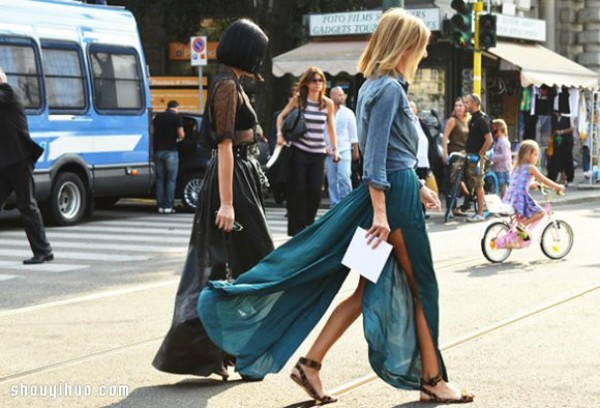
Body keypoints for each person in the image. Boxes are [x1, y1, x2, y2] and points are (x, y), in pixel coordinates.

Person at [199, 8, 474, 404]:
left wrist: (417, 185)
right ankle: (432, 380)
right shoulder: (390, 90)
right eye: (421, 47)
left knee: (365, 288)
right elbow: (377, 158)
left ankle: (310, 365)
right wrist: (385, 208)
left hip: (392, 194)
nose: (424, 54)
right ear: (405, 46)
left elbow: (390, 152)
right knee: (423, 287)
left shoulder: (371, 86)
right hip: (390, 205)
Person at [152, 19, 274, 380]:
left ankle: (233, 354)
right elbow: (224, 147)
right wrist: (227, 203)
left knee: (239, 266)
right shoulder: (225, 86)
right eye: (259, 52)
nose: (261, 60)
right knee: (237, 266)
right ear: (247, 51)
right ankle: (228, 354)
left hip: (238, 182)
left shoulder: (230, 83)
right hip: (231, 184)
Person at [275, 67, 342, 236]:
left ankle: (309, 225)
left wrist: (335, 150)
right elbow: (280, 116)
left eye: (321, 80)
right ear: (307, 82)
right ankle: (298, 230)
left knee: (314, 192)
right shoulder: (300, 100)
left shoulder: (327, 103)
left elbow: (331, 129)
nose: (318, 83)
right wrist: (279, 135)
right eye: (314, 80)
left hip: (318, 154)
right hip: (299, 151)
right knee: (299, 191)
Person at [0, 66, 54, 265]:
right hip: (6, 163)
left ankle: (44, 251)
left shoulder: (9, 92)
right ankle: (43, 250)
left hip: (20, 160)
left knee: (27, 205)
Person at [503, 140, 565, 239]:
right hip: (520, 198)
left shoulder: (518, 166)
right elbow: (544, 180)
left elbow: (520, 182)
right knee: (541, 212)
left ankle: (520, 234)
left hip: (511, 197)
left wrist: (532, 184)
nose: (537, 157)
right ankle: (522, 225)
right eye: (535, 154)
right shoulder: (530, 168)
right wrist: (558, 186)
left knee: (527, 214)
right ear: (528, 155)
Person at [325, 86, 359, 206]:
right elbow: (323, 131)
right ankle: (334, 203)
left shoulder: (348, 113)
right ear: (332, 96)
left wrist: (355, 150)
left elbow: (353, 133)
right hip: (329, 150)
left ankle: (347, 203)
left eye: (343, 94)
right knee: (332, 180)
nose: (342, 97)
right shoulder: (325, 112)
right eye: (339, 95)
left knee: (344, 176)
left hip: (344, 148)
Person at [464, 93, 493, 222]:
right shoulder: (472, 119)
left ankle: (480, 213)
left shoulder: (481, 120)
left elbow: (489, 139)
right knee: (471, 183)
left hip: (477, 157)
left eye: (467, 103)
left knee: (478, 184)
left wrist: (480, 154)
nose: (465, 105)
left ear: (474, 104)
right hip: (470, 155)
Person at [153, 100, 184, 214]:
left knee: (160, 179)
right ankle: (168, 206)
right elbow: (181, 135)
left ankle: (160, 206)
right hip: (171, 151)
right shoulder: (177, 118)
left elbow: (152, 131)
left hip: (158, 151)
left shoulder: (158, 117)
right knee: (171, 180)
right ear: (176, 107)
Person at [442, 96, 470, 217]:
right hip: (455, 153)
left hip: (466, 153)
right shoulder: (452, 120)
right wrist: (444, 152)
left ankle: (464, 206)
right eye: (456, 106)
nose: (458, 108)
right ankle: (451, 207)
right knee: (453, 180)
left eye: (460, 106)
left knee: (469, 179)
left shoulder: (469, 119)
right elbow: (445, 137)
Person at [548, 111, 574, 186]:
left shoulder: (568, 115)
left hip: (567, 140)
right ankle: (553, 178)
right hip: (557, 140)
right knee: (556, 158)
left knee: (567, 159)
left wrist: (561, 132)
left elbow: (572, 128)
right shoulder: (554, 117)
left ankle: (569, 178)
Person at [490, 118, 512, 198]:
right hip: (498, 168)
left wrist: (492, 157)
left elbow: (504, 155)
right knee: (498, 188)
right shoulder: (498, 141)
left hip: (503, 169)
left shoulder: (503, 141)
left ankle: (505, 205)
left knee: (503, 189)